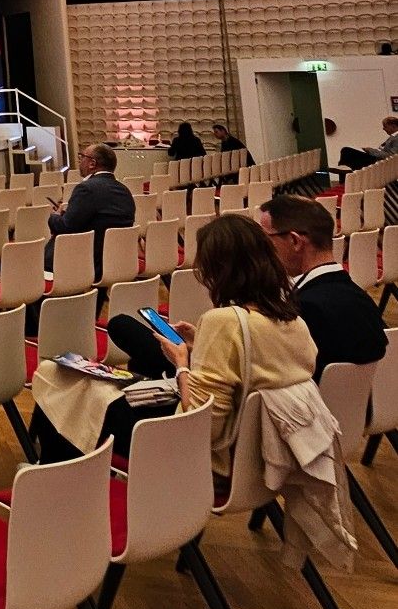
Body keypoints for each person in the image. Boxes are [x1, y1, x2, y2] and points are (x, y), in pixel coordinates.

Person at [35, 213, 317, 473]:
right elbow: (251, 371)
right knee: (85, 388)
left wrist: (182, 363)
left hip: (199, 451)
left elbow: (202, 424)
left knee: (60, 379)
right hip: (256, 454)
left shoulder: (224, 321)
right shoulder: (296, 322)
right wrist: (199, 348)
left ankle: (53, 473)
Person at [258, 193, 388, 378]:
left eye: (265, 239)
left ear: (295, 241)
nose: (262, 248)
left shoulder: (302, 310)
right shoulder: (362, 299)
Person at [44, 141, 135, 276]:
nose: (79, 161)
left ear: (92, 163)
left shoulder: (87, 188)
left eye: (82, 157)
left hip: (86, 262)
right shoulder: (125, 190)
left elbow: (66, 226)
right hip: (116, 261)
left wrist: (54, 216)